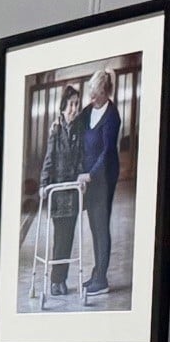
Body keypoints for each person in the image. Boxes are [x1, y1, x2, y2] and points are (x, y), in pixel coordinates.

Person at [81, 68, 122, 298]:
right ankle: (96, 273)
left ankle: (102, 279)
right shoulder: (88, 111)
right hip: (88, 177)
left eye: (96, 94)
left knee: (101, 225)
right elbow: (75, 127)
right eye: (91, 92)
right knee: (93, 225)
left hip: (104, 178)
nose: (92, 97)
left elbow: (107, 152)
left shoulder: (112, 116)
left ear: (106, 93)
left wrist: (90, 174)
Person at [43, 84, 87, 291]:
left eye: (77, 104)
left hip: (74, 190)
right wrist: (43, 184)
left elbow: (82, 157)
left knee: (68, 236)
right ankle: (55, 280)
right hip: (58, 192)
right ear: (63, 106)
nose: (74, 109)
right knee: (59, 237)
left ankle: (62, 280)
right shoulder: (56, 129)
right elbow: (49, 159)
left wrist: (81, 176)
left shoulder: (80, 128)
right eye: (71, 104)